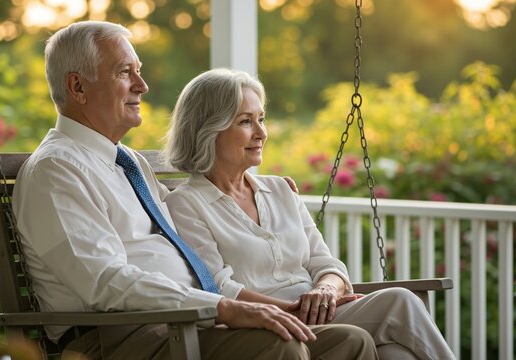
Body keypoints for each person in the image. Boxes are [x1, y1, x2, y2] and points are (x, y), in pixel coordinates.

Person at [12, 20, 378, 359]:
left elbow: (186, 216)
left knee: (350, 341)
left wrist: (261, 190)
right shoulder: (57, 171)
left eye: (139, 72)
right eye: (125, 72)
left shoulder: (127, 162)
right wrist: (224, 307)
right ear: (77, 87)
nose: (143, 85)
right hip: (120, 337)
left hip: (186, 320)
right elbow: (105, 282)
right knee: (284, 346)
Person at [164, 68, 456, 360]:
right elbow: (218, 287)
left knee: (396, 355)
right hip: (262, 326)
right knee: (400, 301)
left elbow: (324, 262)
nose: (262, 133)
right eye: (245, 121)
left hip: (319, 314)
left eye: (261, 119)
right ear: (208, 129)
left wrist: (327, 290)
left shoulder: (280, 190)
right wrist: (290, 309)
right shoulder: (186, 204)